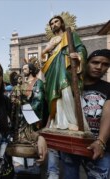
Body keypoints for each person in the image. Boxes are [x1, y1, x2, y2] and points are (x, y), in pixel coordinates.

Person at [60, 49, 110, 179]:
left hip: (98, 148)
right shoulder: (69, 87)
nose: (100, 67)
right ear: (86, 63)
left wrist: (100, 142)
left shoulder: (108, 88)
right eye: (95, 62)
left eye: (105, 65)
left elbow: (108, 113)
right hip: (71, 144)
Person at [41, 15, 88, 130]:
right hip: (53, 68)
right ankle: (58, 121)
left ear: (62, 23)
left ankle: (72, 120)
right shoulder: (51, 41)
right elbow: (44, 58)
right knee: (55, 95)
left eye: (56, 22)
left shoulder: (70, 35)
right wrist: (47, 49)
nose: (53, 24)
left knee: (65, 89)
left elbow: (81, 48)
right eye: (51, 24)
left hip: (65, 65)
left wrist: (78, 56)